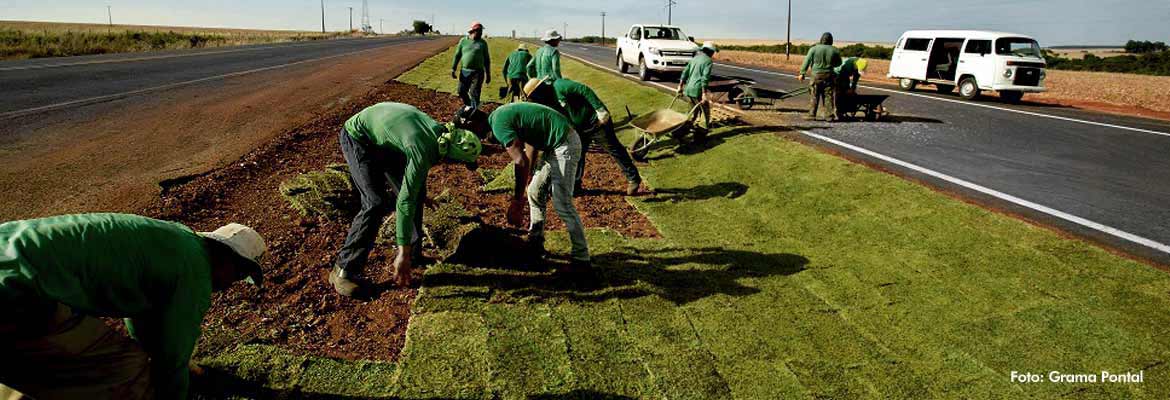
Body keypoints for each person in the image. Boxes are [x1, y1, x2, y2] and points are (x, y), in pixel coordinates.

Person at [0, 213, 266, 400]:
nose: (232, 284)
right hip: (18, 290)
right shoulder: (194, 272)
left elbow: (140, 314)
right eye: (239, 275)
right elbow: (171, 354)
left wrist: (159, 354)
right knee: (128, 371)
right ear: (231, 261)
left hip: (8, 253)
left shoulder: (172, 240)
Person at [330, 103, 483, 297]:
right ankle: (343, 271)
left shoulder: (441, 134)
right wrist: (401, 253)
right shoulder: (423, 150)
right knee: (374, 202)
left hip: (387, 138)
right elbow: (404, 202)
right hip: (359, 137)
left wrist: (419, 193)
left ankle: (415, 256)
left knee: (416, 193)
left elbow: (413, 183)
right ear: (451, 158)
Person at [487, 103, 590, 272]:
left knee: (562, 204)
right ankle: (536, 240)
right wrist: (529, 176)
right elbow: (532, 146)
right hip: (555, 145)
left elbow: (520, 161)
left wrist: (517, 201)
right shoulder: (500, 116)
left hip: (564, 144)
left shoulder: (499, 125)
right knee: (534, 190)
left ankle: (582, 259)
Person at [523, 78, 643, 196]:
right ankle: (575, 185)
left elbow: (584, 89)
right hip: (579, 129)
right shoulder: (547, 101)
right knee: (577, 154)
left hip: (596, 122)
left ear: (540, 90)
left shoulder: (560, 86)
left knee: (614, 149)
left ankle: (633, 178)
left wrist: (600, 110)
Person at [798, 32, 843, 121]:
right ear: (831, 40)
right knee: (828, 95)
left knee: (814, 94)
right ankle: (829, 116)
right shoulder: (835, 50)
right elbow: (839, 63)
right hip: (829, 75)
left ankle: (812, 114)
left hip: (816, 75)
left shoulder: (813, 49)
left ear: (821, 39)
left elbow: (807, 61)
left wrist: (802, 73)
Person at [677, 41, 718, 141]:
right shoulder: (708, 61)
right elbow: (705, 78)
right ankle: (701, 133)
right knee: (705, 111)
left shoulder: (694, 58)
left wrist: (680, 86)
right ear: (710, 51)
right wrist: (704, 93)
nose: (713, 54)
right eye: (713, 52)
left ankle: (682, 130)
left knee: (692, 111)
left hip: (688, 89)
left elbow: (684, 72)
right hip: (697, 90)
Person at [451, 21, 491, 110]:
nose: (481, 33)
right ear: (473, 31)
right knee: (461, 91)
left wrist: (488, 74)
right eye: (479, 31)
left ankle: (474, 111)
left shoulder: (483, 43)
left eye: (481, 31)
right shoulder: (463, 41)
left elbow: (487, 60)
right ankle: (469, 105)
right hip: (465, 71)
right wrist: (453, 69)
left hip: (478, 73)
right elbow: (457, 55)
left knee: (474, 93)